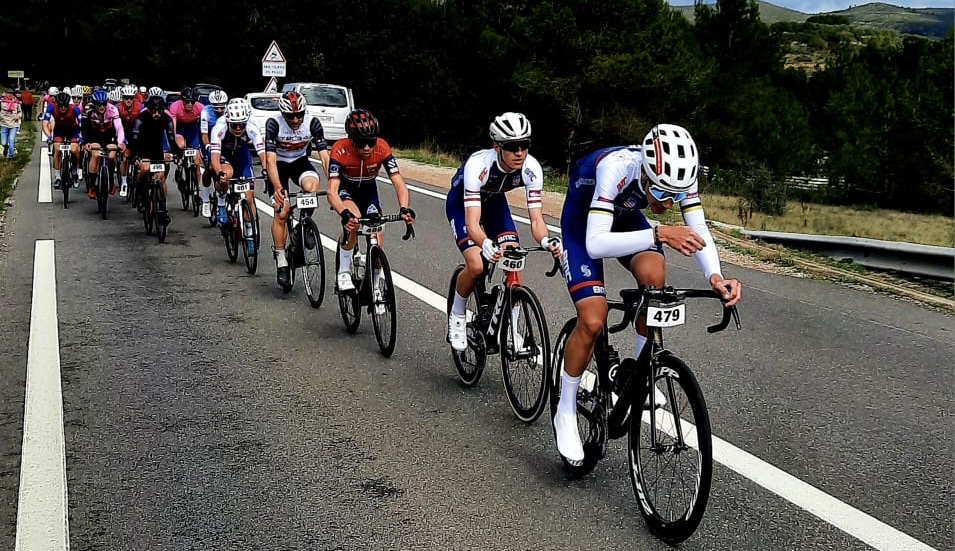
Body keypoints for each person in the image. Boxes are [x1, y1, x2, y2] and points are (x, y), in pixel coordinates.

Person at [552, 123, 742, 465]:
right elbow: (596, 244)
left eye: (676, 195)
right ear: (645, 173)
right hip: (584, 224)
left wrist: (716, 276)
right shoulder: (615, 169)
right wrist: (659, 234)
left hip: (623, 217)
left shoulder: (680, 177)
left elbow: (698, 229)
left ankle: (641, 373)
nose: (669, 202)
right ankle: (565, 409)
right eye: (661, 193)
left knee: (655, 276)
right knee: (593, 319)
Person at [445, 112, 561, 351]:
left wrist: (547, 240)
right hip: (463, 207)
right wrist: (486, 244)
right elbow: (473, 223)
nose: (519, 152)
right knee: (476, 264)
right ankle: (457, 314)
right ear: (497, 146)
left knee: (514, 256)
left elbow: (537, 219)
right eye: (512, 146)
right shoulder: (479, 166)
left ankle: (511, 328)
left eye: (525, 145)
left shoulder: (531, 168)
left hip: (495, 204)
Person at [326, 109, 415, 293]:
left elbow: (399, 183)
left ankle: (374, 286)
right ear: (351, 139)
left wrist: (404, 208)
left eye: (371, 142)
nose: (367, 147)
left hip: (368, 191)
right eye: (361, 143)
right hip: (346, 189)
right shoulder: (339, 149)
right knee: (355, 221)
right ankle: (343, 272)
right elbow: (332, 192)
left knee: (377, 237)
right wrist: (344, 213)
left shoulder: (382, 148)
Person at [263, 90, 330, 290]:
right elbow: (270, 160)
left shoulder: (312, 123)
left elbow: (325, 156)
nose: (295, 119)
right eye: (290, 116)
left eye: (299, 114)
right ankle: (282, 259)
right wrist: (277, 188)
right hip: (279, 166)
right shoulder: (274, 124)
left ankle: (303, 226)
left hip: (300, 162)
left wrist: (334, 183)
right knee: (281, 212)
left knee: (312, 187)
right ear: (283, 114)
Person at [209, 98, 269, 256]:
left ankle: (249, 235)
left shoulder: (252, 127)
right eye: (234, 125)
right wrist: (219, 173)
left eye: (241, 125)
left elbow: (262, 152)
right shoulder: (219, 127)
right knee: (226, 175)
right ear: (228, 121)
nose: (237, 128)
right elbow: (215, 156)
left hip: (242, 157)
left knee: (249, 197)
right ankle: (221, 203)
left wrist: (265, 169)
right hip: (225, 156)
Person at [127, 95, 179, 217]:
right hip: (142, 147)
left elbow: (171, 139)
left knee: (160, 177)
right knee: (145, 169)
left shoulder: (167, 119)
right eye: (154, 111)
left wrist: (177, 154)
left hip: (157, 148)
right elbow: (134, 138)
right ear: (149, 109)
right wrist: (134, 156)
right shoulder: (142, 118)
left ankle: (161, 206)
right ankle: (139, 192)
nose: (157, 114)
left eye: (159, 111)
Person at [80, 89, 126, 198]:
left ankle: (110, 181)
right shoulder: (88, 110)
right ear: (94, 104)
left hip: (109, 135)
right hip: (94, 135)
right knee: (95, 154)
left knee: (111, 155)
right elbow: (83, 128)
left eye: (104, 104)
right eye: (99, 104)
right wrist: (85, 142)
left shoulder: (112, 109)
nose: (102, 107)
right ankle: (92, 186)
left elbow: (119, 127)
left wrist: (120, 142)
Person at [166, 86, 204, 194]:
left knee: (196, 160)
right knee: (181, 145)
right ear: (182, 101)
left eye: (192, 101)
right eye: (187, 101)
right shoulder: (175, 106)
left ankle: (197, 188)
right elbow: (172, 127)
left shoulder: (200, 107)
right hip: (179, 128)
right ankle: (180, 164)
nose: (190, 104)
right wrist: (174, 144)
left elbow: (206, 123)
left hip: (192, 129)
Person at [42, 91, 83, 189]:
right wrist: (49, 136)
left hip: (73, 129)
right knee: (57, 149)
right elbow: (45, 123)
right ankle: (58, 177)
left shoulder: (75, 109)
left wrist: (81, 136)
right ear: (57, 104)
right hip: (59, 130)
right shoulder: (51, 108)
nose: (63, 108)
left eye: (65, 105)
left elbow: (82, 124)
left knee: (74, 149)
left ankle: (74, 170)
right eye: (61, 105)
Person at [198, 89, 228, 217]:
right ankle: (205, 199)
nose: (220, 110)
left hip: (224, 141)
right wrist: (208, 146)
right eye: (217, 107)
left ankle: (223, 197)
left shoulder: (228, 111)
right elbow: (204, 134)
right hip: (208, 140)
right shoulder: (206, 112)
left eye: (222, 107)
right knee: (210, 168)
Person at [1, 88, 22, 160]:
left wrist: (18, 116)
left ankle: (11, 156)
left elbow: (20, 112)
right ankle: (5, 147)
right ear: (5, 94)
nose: (10, 95)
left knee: (11, 140)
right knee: (4, 142)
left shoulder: (16, 102)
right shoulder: (1, 102)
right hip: (4, 124)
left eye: (11, 93)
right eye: (8, 93)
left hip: (14, 124)